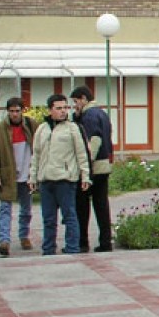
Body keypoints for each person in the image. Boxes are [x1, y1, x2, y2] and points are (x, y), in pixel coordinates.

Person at [29, 94, 91, 256]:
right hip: (46, 181)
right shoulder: (42, 129)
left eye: (65, 108)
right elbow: (36, 155)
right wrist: (33, 177)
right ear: (50, 110)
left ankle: (72, 248)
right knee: (48, 219)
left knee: (70, 216)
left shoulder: (73, 128)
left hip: (65, 180)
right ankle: (48, 249)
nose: (63, 111)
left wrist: (85, 176)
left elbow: (81, 154)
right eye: (59, 108)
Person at [0, 97, 37, 257]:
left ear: (22, 110)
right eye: (12, 111)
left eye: (17, 111)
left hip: (27, 174)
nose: (15, 114)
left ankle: (24, 236)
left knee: (26, 209)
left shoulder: (31, 125)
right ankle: (4, 241)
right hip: (7, 175)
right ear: (7, 112)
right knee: (5, 209)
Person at [70, 86, 114, 253]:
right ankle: (105, 241)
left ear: (83, 99)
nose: (75, 106)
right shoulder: (102, 113)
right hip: (104, 165)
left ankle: (82, 242)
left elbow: (93, 140)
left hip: (92, 167)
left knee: (82, 206)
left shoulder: (89, 116)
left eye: (76, 102)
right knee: (102, 205)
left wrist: (86, 166)